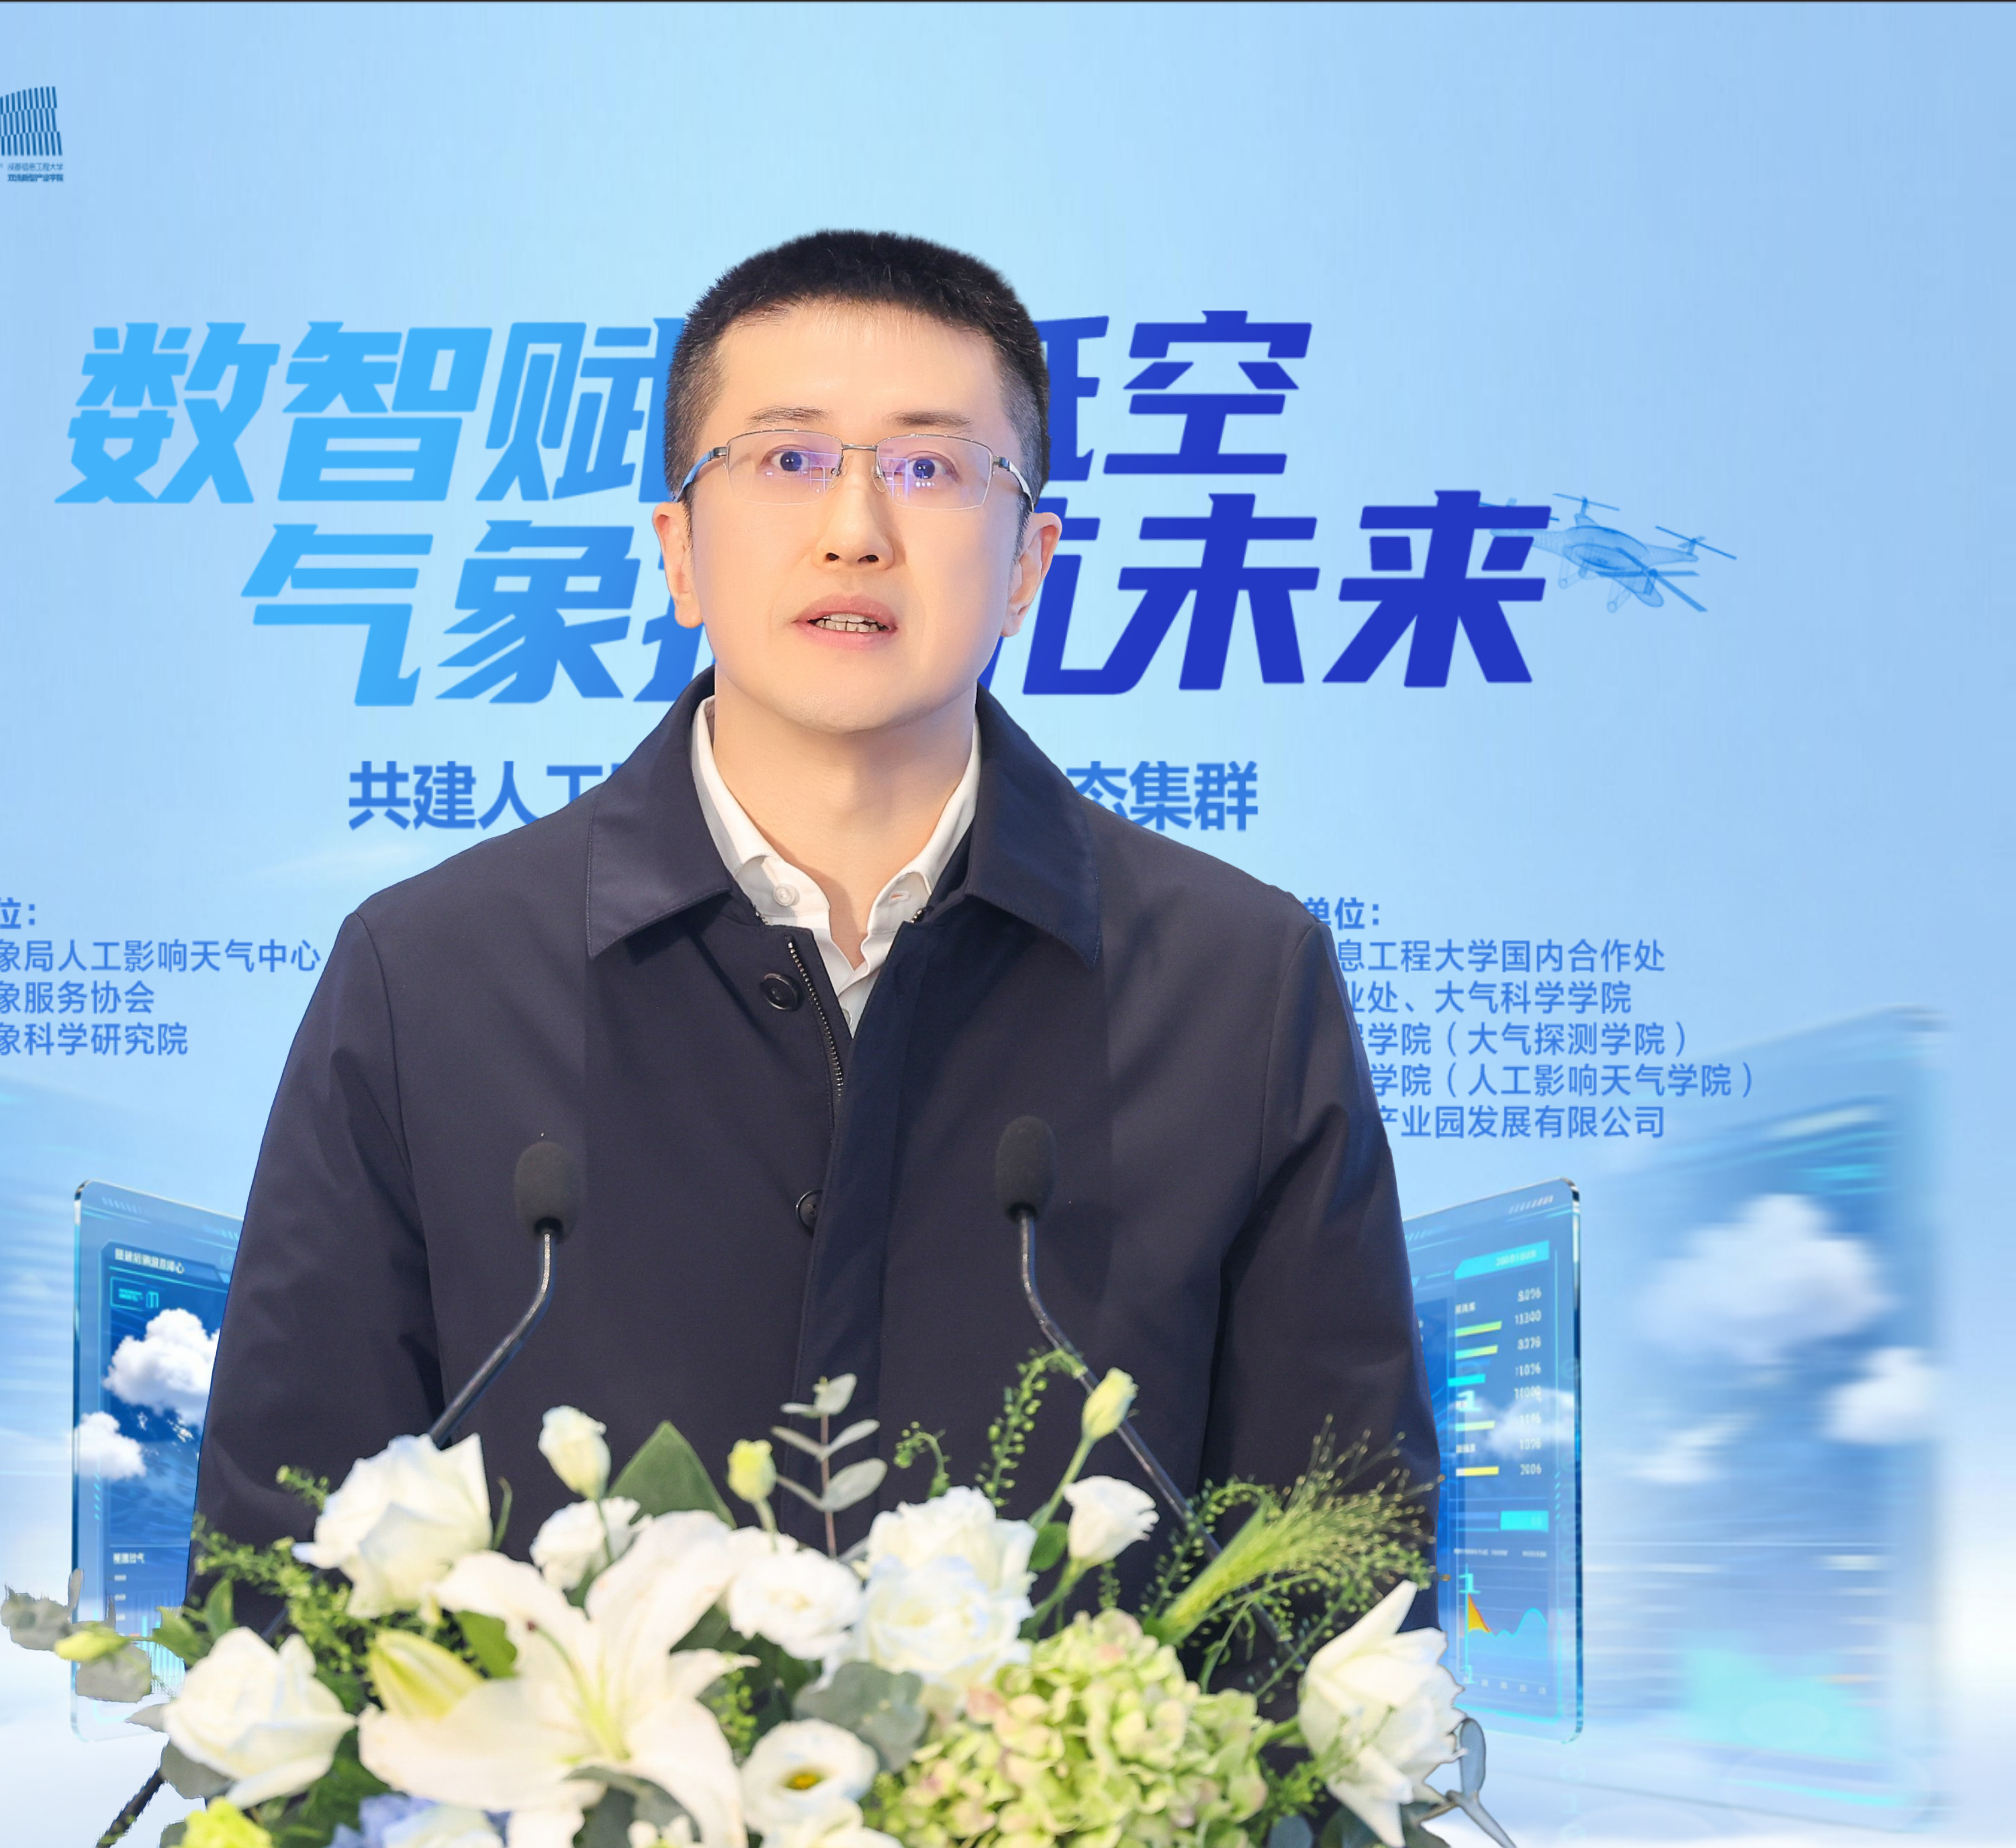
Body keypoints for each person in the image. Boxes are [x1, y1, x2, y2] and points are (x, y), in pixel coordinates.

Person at [197, 230, 1433, 1560]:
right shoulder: (428, 978)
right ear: (679, 548)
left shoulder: (1240, 986)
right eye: (787, 460)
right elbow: (281, 1549)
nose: (855, 532)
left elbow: (1340, 1564)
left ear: (1028, 563)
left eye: (931, 468)